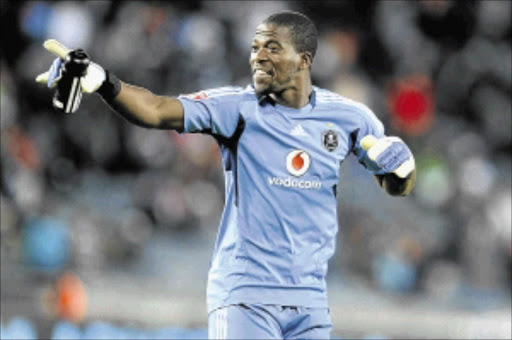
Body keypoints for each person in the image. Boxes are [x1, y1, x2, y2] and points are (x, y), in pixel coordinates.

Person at [37, 11, 416, 340]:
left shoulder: (350, 118)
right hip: (246, 294)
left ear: (303, 59)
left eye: (271, 49)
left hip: (310, 299)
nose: (258, 58)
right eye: (255, 48)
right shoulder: (237, 108)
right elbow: (156, 110)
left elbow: (395, 181)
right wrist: (104, 81)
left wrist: (402, 169)